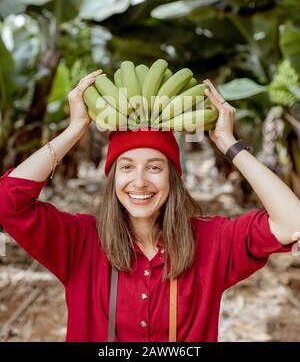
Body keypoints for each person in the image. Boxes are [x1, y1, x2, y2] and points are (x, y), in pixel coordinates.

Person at [0, 68, 299, 343]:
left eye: (154, 168)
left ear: (173, 177)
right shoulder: (81, 242)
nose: (139, 182)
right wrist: (75, 129)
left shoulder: (211, 242)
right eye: (127, 167)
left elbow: (292, 223)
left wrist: (228, 144)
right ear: (113, 177)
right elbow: (7, 201)